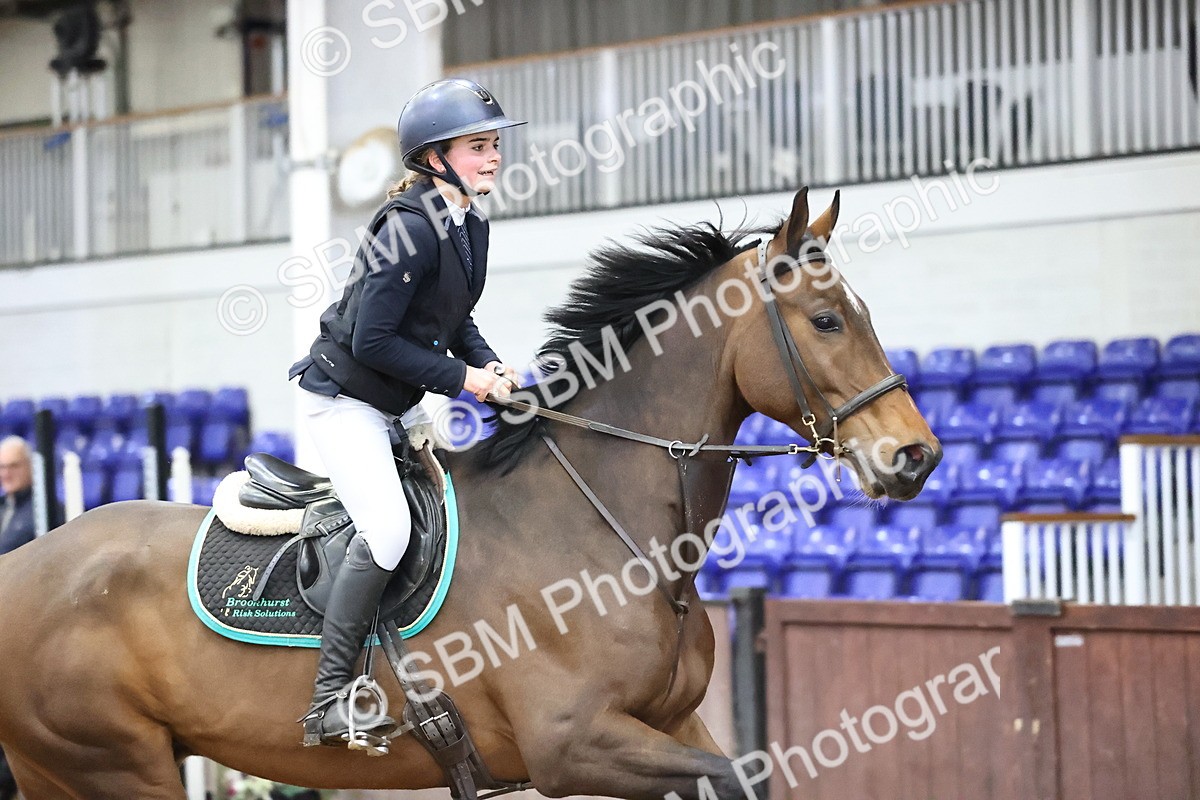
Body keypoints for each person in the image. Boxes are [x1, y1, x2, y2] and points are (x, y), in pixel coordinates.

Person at [288, 78, 523, 750]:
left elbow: (454, 317)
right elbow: (372, 342)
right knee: (388, 532)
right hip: (346, 402)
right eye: (480, 146)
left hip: (395, 399)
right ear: (435, 156)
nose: (494, 156)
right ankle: (328, 698)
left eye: (494, 144)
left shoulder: (468, 220)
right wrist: (464, 381)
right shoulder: (408, 229)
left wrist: (491, 363)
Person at [0, 436, 36, 556]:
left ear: (30, 467)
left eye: (14, 466)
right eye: (2, 467)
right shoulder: (3, 506)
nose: (6, 474)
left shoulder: (46, 510)